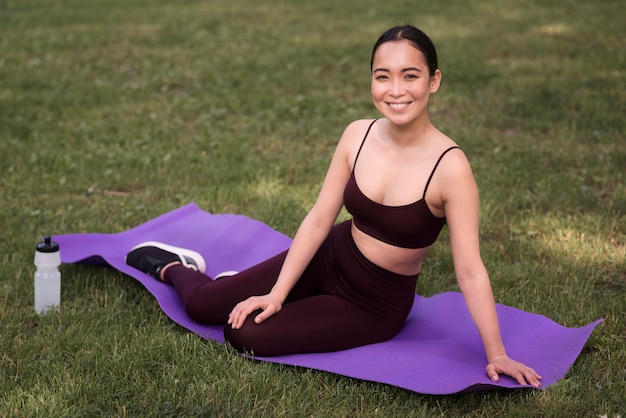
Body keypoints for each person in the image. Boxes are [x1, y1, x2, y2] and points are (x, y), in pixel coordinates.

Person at [126, 25, 542, 387]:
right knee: (203, 306)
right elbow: (321, 218)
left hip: (373, 302)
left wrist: (496, 352)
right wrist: (275, 293)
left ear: (433, 81)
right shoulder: (358, 135)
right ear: (372, 82)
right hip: (331, 255)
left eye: (409, 76)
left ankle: (244, 287)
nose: (395, 90)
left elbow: (470, 269)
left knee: (247, 336)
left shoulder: (450, 168)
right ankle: (177, 266)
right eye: (383, 77)